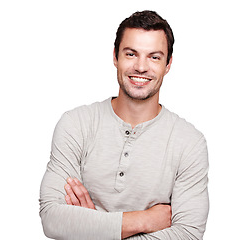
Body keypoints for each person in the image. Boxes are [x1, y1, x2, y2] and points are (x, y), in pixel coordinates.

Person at [39, 10, 209, 240]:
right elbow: (53, 218)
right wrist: (145, 220)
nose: (141, 67)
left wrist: (91, 229)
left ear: (168, 64)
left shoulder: (189, 142)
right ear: (115, 56)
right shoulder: (76, 124)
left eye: (154, 57)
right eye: (131, 54)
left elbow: (188, 234)